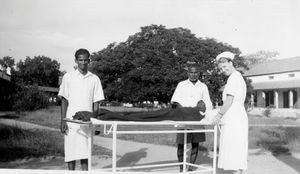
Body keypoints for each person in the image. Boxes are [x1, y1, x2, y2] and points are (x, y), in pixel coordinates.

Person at [58, 48, 105, 170]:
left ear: (89, 60)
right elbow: (64, 100)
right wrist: (63, 120)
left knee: (85, 152)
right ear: (76, 61)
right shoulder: (68, 77)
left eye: (86, 60)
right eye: (80, 60)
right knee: (71, 152)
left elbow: (96, 103)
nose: (83, 63)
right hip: (71, 122)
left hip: (88, 122)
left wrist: (97, 124)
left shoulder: (94, 79)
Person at [171, 61, 212, 172]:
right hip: (183, 119)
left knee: (195, 144)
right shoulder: (181, 84)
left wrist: (204, 112)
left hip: (197, 120)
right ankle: (181, 168)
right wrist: (183, 110)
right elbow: (174, 101)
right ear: (188, 73)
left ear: (199, 73)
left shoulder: (203, 86)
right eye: (191, 72)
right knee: (181, 144)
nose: (193, 75)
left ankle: (190, 168)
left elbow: (208, 103)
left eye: (196, 72)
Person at [212, 51, 248, 174]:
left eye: (225, 66)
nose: (223, 70)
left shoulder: (233, 78)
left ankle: (237, 171)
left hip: (234, 116)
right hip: (237, 114)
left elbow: (229, 100)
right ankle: (238, 171)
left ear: (231, 63)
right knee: (237, 146)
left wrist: (218, 115)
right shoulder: (238, 77)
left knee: (233, 145)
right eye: (221, 68)